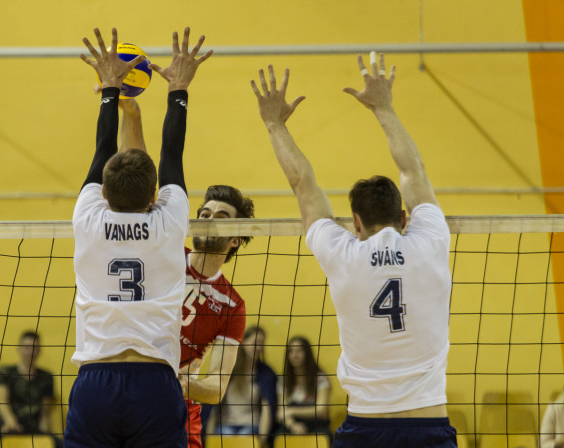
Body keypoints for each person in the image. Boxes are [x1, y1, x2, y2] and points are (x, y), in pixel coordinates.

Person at [251, 55, 457, 447]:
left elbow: (303, 186)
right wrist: (383, 107)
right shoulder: (431, 241)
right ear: (403, 216)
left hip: (365, 428)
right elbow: (415, 173)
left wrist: (273, 123)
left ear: (356, 223)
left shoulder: (344, 254)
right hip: (427, 425)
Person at [65, 27, 211, 448]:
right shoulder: (169, 224)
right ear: (154, 195)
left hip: (96, 380)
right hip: (154, 382)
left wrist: (110, 90)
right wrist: (178, 89)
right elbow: (172, 155)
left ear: (103, 194)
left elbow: (101, 149)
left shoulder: (88, 220)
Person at [110, 85, 256, 448]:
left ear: (235, 238)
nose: (207, 220)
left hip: (176, 408)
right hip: (125, 388)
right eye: (204, 213)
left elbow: (217, 389)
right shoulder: (167, 250)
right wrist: (131, 114)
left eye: (221, 218)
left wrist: (176, 380)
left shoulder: (232, 306)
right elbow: (136, 183)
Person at [208, 326, 275, 447]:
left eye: (261, 344)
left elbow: (267, 408)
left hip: (250, 425)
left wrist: (263, 438)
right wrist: (208, 437)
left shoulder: (266, 373)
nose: (258, 347)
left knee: (244, 438)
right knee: (225, 435)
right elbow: (213, 406)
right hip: (225, 424)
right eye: (255, 343)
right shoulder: (228, 369)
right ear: (243, 342)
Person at [0, 330, 59, 447]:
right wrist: (10, 421)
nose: (30, 351)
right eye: (27, 347)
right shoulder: (5, 372)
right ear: (18, 348)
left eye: (34, 347)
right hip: (8, 429)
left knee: (61, 444)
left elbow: (44, 413)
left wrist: (46, 432)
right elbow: (1, 400)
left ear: (39, 351)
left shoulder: (46, 377)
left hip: (33, 431)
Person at [275, 336, 331, 437]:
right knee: (278, 435)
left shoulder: (320, 378)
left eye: (299, 351)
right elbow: (282, 411)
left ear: (307, 354)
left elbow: (321, 411)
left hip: (315, 424)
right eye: (291, 351)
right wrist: (293, 425)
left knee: (324, 435)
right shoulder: (283, 380)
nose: (294, 355)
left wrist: (292, 411)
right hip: (292, 424)